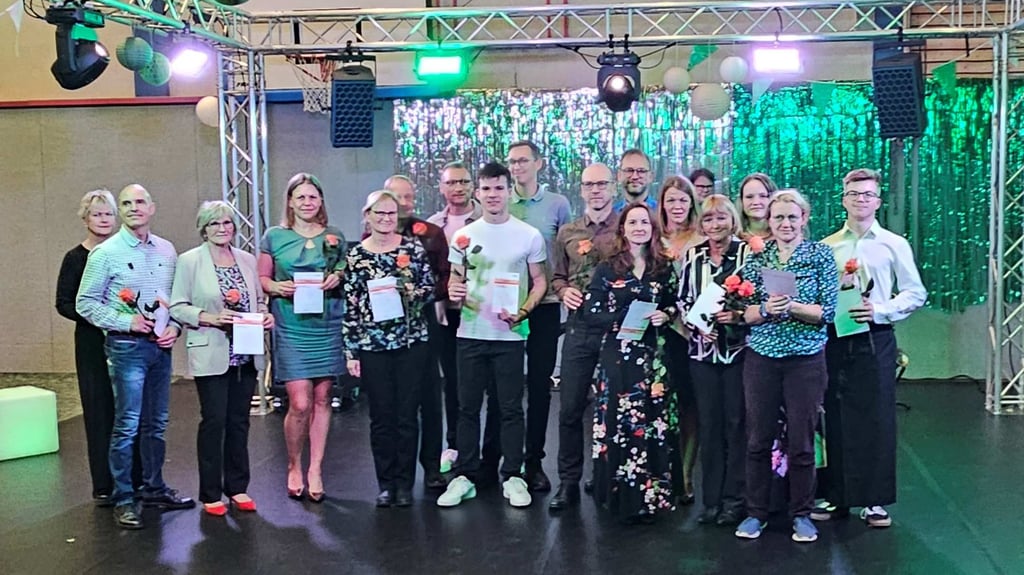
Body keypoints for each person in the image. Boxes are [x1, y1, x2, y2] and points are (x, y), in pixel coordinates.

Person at [76, 184, 194, 529]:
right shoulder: (105, 253)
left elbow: (175, 298)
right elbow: (85, 302)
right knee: (127, 425)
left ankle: (154, 488)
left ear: (152, 208)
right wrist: (127, 320)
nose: (132, 208)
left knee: (156, 424)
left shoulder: (168, 250)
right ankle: (124, 497)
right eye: (125, 203)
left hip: (160, 347)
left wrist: (175, 325)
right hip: (126, 347)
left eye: (139, 202)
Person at [814, 168, 927, 528]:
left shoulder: (894, 243)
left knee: (877, 417)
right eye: (854, 194)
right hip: (835, 337)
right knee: (834, 414)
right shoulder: (827, 246)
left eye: (867, 194)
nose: (860, 200)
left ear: (877, 201)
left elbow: (915, 292)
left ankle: (874, 501)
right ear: (843, 199)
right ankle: (836, 496)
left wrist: (880, 308)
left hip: (875, 336)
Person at [437, 161, 547, 509]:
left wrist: (524, 311)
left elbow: (540, 281)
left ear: (509, 190)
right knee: (467, 407)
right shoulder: (464, 237)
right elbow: (454, 279)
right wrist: (454, 289)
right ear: (478, 192)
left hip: (512, 335)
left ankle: (513, 475)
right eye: (486, 189)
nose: (493, 194)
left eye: (499, 188)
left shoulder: (528, 234)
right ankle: (466, 476)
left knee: (512, 408)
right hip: (470, 332)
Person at [735, 189, 838, 543]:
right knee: (757, 440)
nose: (785, 223)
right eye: (778, 217)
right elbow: (743, 313)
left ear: (804, 219)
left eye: (792, 217)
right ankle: (756, 514)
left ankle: (802, 515)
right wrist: (765, 311)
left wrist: (791, 306)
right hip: (762, 358)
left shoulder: (820, 255)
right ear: (769, 221)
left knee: (802, 442)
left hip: (805, 360)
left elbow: (827, 312)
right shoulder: (756, 259)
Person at [170, 201, 274, 516]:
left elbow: (257, 299)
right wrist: (211, 318)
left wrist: (265, 315)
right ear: (204, 227)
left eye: (227, 223)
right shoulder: (189, 261)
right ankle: (211, 492)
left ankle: (238, 488)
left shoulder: (245, 259)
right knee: (214, 421)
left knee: (239, 422)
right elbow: (177, 306)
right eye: (214, 223)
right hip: (211, 350)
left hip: (245, 352)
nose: (221, 228)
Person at [584, 203, 680, 524]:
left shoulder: (662, 267)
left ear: (653, 228)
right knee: (618, 422)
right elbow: (591, 313)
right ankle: (619, 496)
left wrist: (664, 315)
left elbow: (674, 305)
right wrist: (622, 317)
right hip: (618, 357)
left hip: (653, 358)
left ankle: (651, 498)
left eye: (644, 222)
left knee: (652, 424)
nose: (639, 227)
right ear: (622, 228)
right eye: (633, 222)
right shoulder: (608, 268)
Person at [344, 190, 435, 508]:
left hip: (410, 342)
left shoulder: (412, 248)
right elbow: (351, 305)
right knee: (381, 417)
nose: (385, 219)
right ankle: (385, 483)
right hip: (373, 344)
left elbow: (429, 289)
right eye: (379, 214)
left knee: (408, 416)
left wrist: (410, 291)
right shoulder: (356, 255)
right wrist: (351, 350)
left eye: (391, 214)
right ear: (367, 216)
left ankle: (405, 484)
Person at [258, 173, 346, 503]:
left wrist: (336, 275)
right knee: (300, 402)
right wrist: (277, 287)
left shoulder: (335, 236)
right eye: (301, 197)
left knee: (323, 399)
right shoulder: (274, 236)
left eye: (313, 197)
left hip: (326, 322)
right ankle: (294, 464)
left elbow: (343, 272)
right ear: (290, 202)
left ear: (320, 201)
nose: (307, 202)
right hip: (292, 324)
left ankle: (316, 469)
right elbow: (263, 278)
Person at [56, 190, 141, 506]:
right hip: (93, 343)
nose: (103, 219)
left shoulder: (124, 252)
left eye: (108, 214)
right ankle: (104, 485)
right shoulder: (74, 258)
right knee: (98, 411)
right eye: (97, 214)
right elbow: (63, 303)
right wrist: (101, 317)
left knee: (131, 411)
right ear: (85, 219)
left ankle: (136, 480)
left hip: (130, 343)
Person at [678, 195, 754, 526]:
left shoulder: (747, 255)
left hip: (738, 353)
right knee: (708, 427)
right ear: (701, 224)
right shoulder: (692, 257)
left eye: (721, 218)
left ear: (732, 220)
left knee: (736, 426)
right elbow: (682, 300)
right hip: (702, 354)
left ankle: (735, 499)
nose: (715, 225)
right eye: (708, 219)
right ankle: (711, 501)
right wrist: (698, 324)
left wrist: (735, 316)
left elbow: (758, 298)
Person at [549, 163, 619, 510]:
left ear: (613, 187)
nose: (595, 190)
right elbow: (556, 276)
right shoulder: (568, 231)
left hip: (615, 331)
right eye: (589, 184)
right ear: (581, 189)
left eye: (602, 184)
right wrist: (563, 292)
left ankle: (604, 476)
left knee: (611, 411)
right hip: (578, 329)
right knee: (571, 408)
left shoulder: (627, 226)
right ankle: (568, 481)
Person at [507, 140, 573, 492]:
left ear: (539, 163)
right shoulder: (501, 201)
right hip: (504, 311)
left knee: (538, 387)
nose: (516, 167)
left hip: (544, 307)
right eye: (512, 161)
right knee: (504, 389)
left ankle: (534, 462)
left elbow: (564, 255)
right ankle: (507, 462)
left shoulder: (558, 205)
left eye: (522, 161)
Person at [385, 174, 450, 490]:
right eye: (395, 197)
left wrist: (418, 292)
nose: (402, 203)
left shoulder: (432, 234)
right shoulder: (374, 233)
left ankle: (433, 465)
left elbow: (445, 277)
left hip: (424, 321)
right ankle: (399, 471)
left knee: (428, 395)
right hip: (385, 325)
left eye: (408, 197)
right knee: (395, 400)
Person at [657, 175, 702, 505]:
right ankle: (659, 472)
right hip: (656, 333)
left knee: (690, 406)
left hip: (689, 333)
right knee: (659, 405)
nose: (677, 206)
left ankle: (685, 474)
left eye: (683, 200)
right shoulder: (651, 238)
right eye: (671, 200)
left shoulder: (701, 239)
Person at [738, 173, 777, 239]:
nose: (756, 202)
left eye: (763, 196)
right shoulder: (733, 238)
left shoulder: (784, 237)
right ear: (741, 200)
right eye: (749, 197)